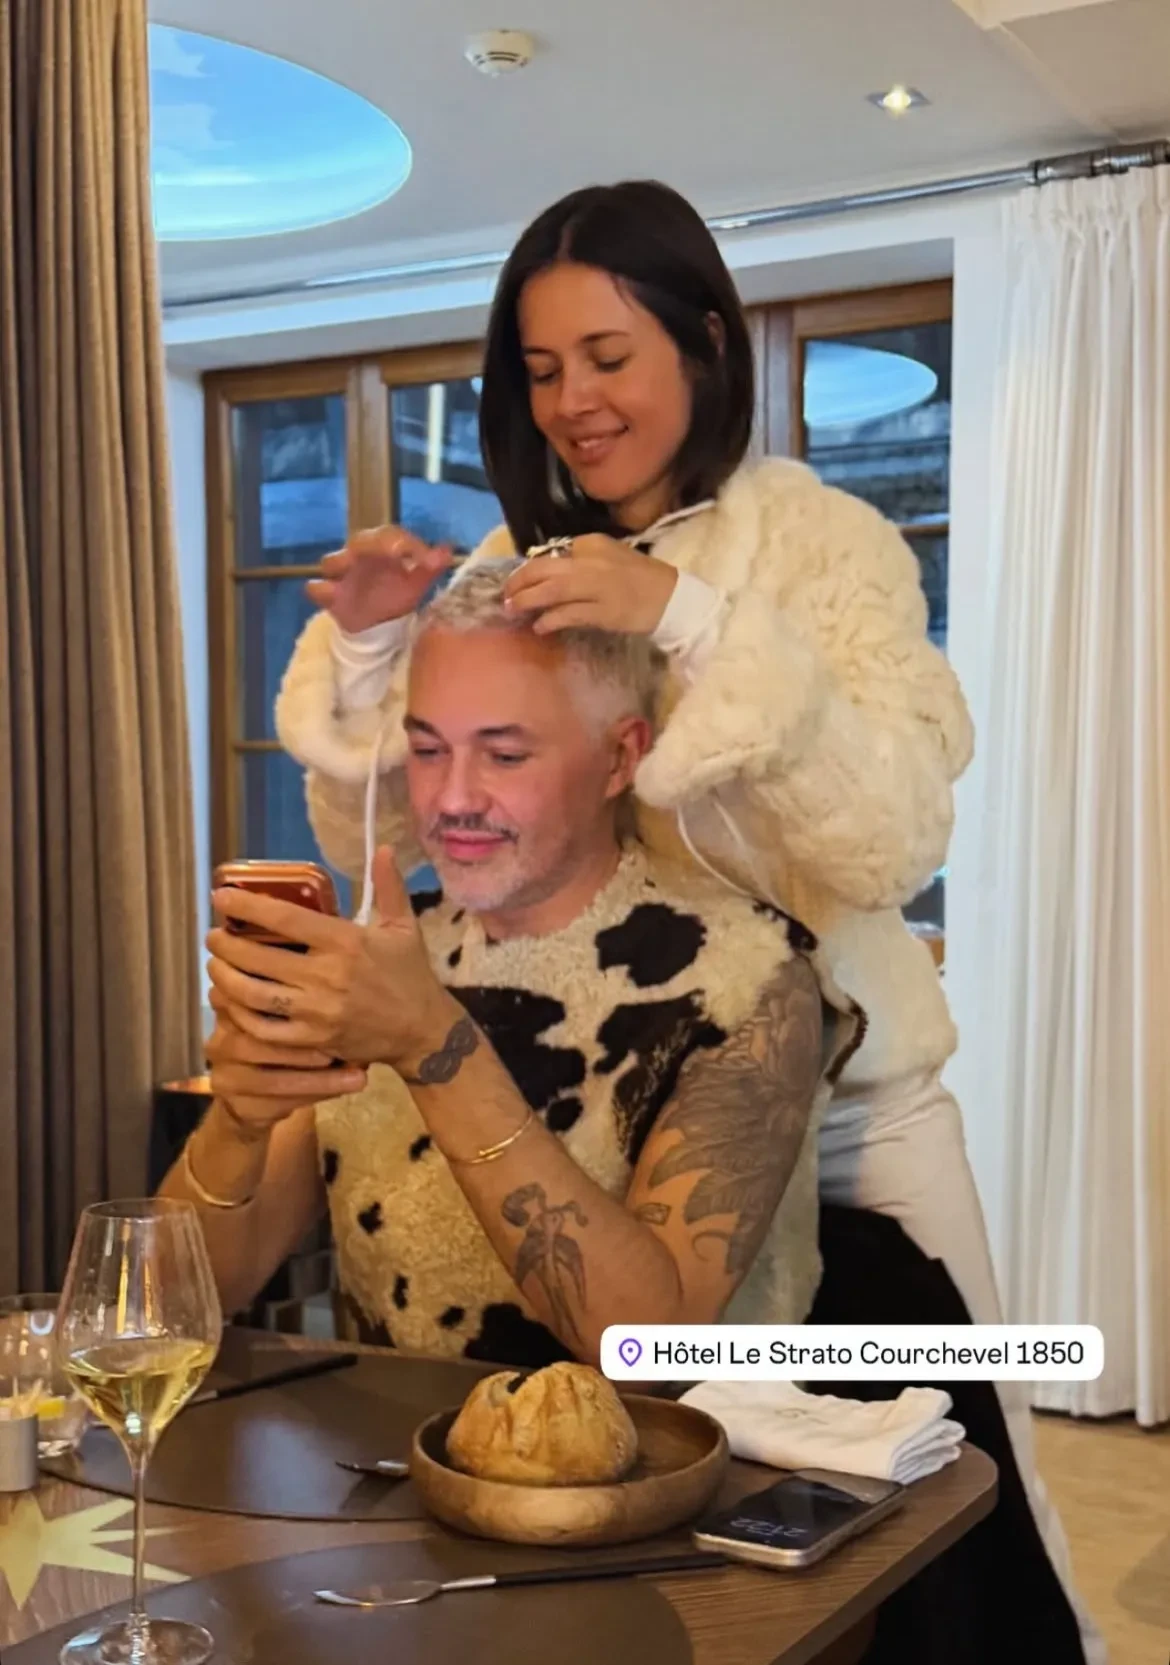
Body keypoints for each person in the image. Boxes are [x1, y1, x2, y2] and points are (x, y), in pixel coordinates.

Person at [272, 179, 1099, 1662]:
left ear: (706, 343)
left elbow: (890, 836)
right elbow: (412, 832)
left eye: (609, 355)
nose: (574, 403)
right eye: (541, 370)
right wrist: (383, 646)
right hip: (595, 1095)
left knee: (954, 1470)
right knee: (660, 1480)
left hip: (849, 1109)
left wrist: (686, 618)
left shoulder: (822, 547)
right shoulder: (515, 566)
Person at [164, 563, 863, 1360]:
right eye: (427, 749)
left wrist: (436, 1047)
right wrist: (240, 1120)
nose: (452, 798)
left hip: (674, 1442)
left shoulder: (746, 977)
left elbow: (648, 1349)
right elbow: (184, 1305)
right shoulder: (392, 955)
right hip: (385, 1438)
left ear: (619, 757)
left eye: (503, 755)